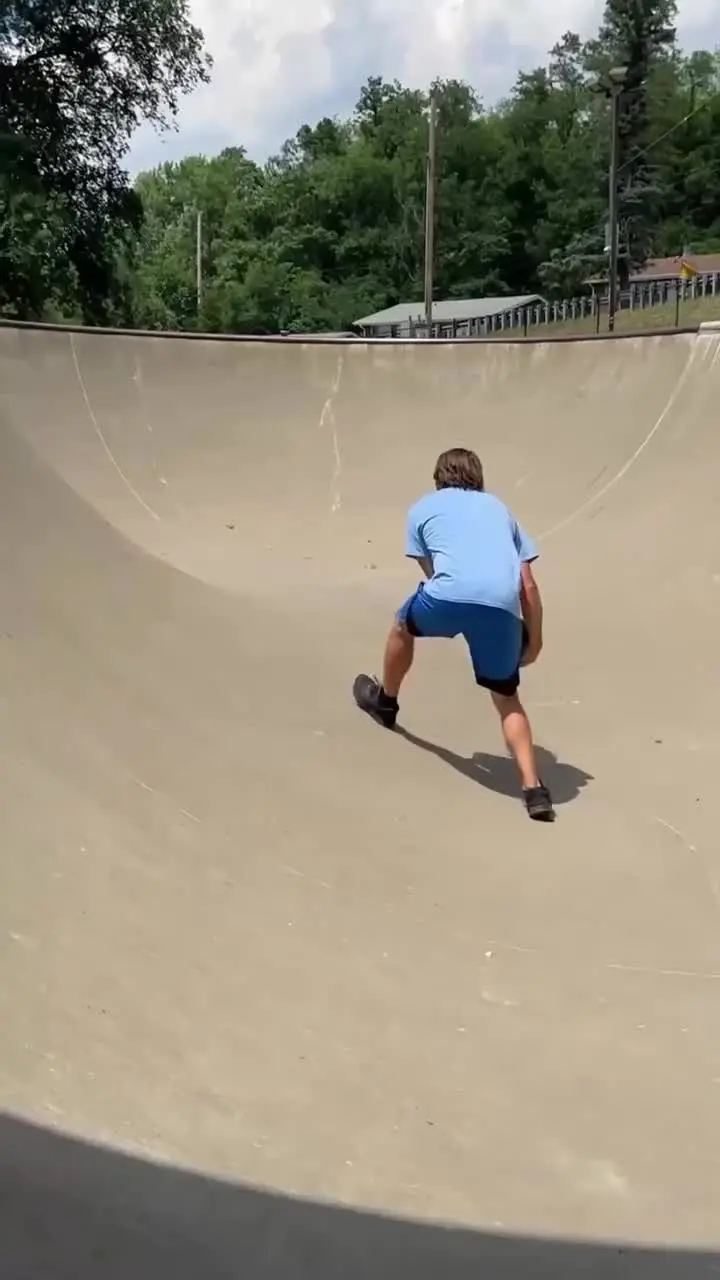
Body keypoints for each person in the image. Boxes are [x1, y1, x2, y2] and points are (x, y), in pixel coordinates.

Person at [353, 446, 554, 821]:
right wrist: (536, 639)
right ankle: (534, 791)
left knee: (402, 625)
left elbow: (433, 572)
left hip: (447, 597)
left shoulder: (421, 509)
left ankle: (386, 703)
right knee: (506, 696)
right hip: (501, 607)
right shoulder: (500, 509)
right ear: (478, 477)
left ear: (438, 478)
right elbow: (527, 585)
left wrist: (455, 611)